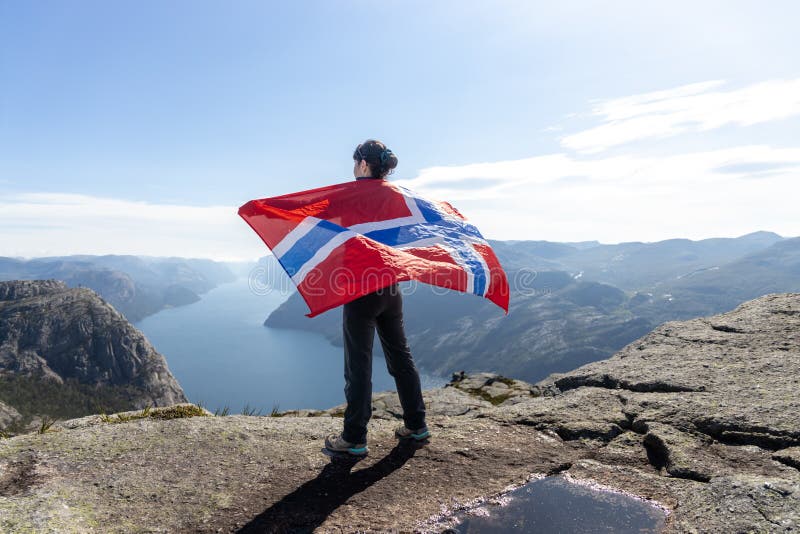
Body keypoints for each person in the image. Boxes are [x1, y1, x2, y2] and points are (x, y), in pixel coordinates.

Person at [324, 139, 430, 456]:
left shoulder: (350, 197)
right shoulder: (398, 198)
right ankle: (416, 424)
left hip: (360, 292)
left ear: (364, 165)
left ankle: (354, 438)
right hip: (391, 289)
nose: (353, 167)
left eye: (355, 162)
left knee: (359, 367)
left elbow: (319, 220)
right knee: (401, 358)